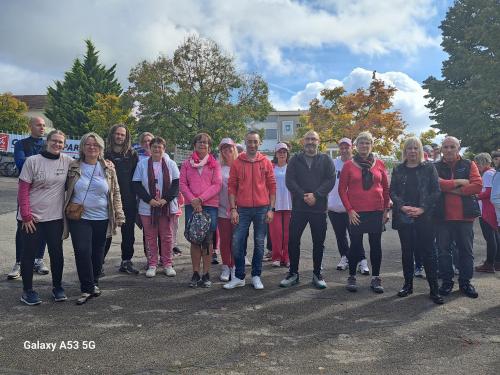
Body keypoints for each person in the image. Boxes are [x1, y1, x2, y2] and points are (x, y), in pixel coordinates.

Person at [64, 133, 124, 305]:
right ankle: (86, 288)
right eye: (88, 144)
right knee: (82, 250)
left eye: (95, 145)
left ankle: (94, 282)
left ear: (100, 148)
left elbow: (116, 192)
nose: (92, 147)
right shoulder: (73, 166)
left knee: (98, 254)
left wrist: (119, 214)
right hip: (79, 217)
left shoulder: (108, 168)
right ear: (82, 147)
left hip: (103, 217)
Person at [17, 130, 73, 305]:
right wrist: (26, 216)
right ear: (47, 141)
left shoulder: (68, 161)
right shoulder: (32, 161)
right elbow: (23, 189)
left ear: (64, 145)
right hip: (31, 219)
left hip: (55, 218)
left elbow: (87, 163)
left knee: (56, 254)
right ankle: (28, 291)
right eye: (54, 141)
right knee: (29, 255)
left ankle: (57, 287)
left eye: (61, 142)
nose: (57, 144)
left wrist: (106, 162)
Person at [390, 137, 444, 304]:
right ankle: (408, 285)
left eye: (415, 148)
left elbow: (436, 191)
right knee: (407, 252)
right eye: (409, 148)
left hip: (425, 217)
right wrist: (403, 207)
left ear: (420, 150)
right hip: (404, 216)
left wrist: (422, 209)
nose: (412, 151)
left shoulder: (429, 168)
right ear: (404, 151)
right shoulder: (398, 169)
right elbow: (392, 192)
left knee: (428, 253)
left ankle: (434, 289)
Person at [279, 131, 335, 288]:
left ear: (319, 141)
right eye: (308, 139)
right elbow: (290, 180)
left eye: (314, 139)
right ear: (303, 141)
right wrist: (303, 195)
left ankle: (317, 274)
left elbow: (330, 180)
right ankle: (293, 273)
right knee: (293, 241)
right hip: (299, 208)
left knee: (319, 242)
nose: (310, 141)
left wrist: (316, 195)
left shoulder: (325, 160)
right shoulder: (295, 160)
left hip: (319, 209)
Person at [224, 130, 276, 290]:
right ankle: (239, 276)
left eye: (255, 141)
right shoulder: (238, 162)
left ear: (259, 143)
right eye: (249, 141)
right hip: (243, 209)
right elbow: (232, 187)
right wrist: (233, 209)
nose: (252, 144)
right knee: (237, 242)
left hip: (262, 209)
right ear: (245, 143)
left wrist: (271, 209)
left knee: (259, 243)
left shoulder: (265, 162)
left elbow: (272, 186)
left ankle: (256, 275)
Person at [339, 131, 390, 293]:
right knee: (355, 245)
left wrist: (385, 210)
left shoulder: (380, 164)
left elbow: (386, 189)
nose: (364, 146)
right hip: (357, 213)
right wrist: (349, 210)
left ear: (371, 145)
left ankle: (376, 277)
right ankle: (352, 276)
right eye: (361, 143)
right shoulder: (348, 165)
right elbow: (341, 190)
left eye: (367, 143)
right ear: (356, 146)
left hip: (376, 211)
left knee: (375, 245)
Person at [435, 136, 482, 298]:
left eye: (452, 147)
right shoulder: (434, 166)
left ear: (458, 148)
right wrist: (460, 182)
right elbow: (435, 184)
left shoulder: (469, 164)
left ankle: (465, 283)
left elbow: (477, 186)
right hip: (442, 217)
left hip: (465, 217)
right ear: (441, 149)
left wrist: (449, 188)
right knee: (443, 252)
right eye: (446, 147)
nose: (448, 150)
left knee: (466, 252)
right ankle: (447, 282)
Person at [8, 117, 49, 280]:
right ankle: (19, 262)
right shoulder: (21, 144)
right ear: (30, 126)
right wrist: (43, 162)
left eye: (44, 125)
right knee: (23, 227)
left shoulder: (48, 144)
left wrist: (32, 162)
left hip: (45, 193)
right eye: (39, 125)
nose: (42, 128)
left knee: (44, 227)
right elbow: (20, 163)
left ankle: (38, 260)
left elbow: (54, 163)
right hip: (25, 192)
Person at [132, 137, 179, 278]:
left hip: (166, 206)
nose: (157, 149)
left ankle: (167, 264)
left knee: (167, 236)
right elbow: (136, 184)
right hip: (147, 207)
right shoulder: (142, 164)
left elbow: (176, 185)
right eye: (154, 147)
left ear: (164, 149)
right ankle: (152, 263)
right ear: (150, 149)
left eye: (160, 147)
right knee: (150, 236)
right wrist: (149, 200)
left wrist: (165, 199)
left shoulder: (171, 164)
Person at [180, 133, 222, 288]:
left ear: (209, 146)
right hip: (192, 205)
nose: (202, 144)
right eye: (199, 142)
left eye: (205, 142)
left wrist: (201, 199)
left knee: (207, 240)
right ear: (194, 145)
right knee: (194, 239)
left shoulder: (214, 164)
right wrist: (193, 200)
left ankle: (206, 274)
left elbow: (217, 185)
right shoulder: (186, 164)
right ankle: (195, 273)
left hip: (210, 205)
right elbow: (183, 184)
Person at [327, 138, 368, 273]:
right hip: (335, 206)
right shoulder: (333, 163)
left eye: (347, 147)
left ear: (352, 148)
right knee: (340, 236)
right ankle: (345, 257)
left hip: (352, 207)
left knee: (355, 236)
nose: (344, 150)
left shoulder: (357, 163)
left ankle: (362, 260)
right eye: (342, 147)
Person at [103, 124, 139, 275]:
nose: (119, 137)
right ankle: (98, 262)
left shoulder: (132, 154)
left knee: (128, 233)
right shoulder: (104, 153)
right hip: (108, 200)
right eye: (117, 134)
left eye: (122, 135)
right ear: (112, 135)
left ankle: (126, 261)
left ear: (126, 137)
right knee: (107, 233)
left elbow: (137, 178)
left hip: (128, 200)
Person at [473, 153, 499, 273]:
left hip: (486, 210)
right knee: (494, 236)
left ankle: (489, 264)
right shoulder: (493, 172)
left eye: (477, 163)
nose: (476, 166)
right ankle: (495, 262)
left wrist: (476, 196)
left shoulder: (488, 174)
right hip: (491, 209)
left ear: (483, 162)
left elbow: (488, 192)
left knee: (490, 238)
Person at [217, 138, 238, 281]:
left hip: (239, 210)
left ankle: (235, 266)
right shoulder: (218, 168)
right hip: (222, 209)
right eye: (224, 148)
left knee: (237, 240)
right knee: (225, 240)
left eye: (229, 147)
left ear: (234, 148)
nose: (227, 150)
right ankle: (225, 266)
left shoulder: (240, 165)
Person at [269, 143, 292, 268]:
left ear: (287, 154)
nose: (282, 154)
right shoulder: (271, 167)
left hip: (289, 204)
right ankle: (276, 257)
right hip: (275, 204)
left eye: (284, 152)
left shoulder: (291, 167)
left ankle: (287, 257)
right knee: (276, 232)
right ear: (276, 154)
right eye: (280, 152)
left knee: (288, 233)